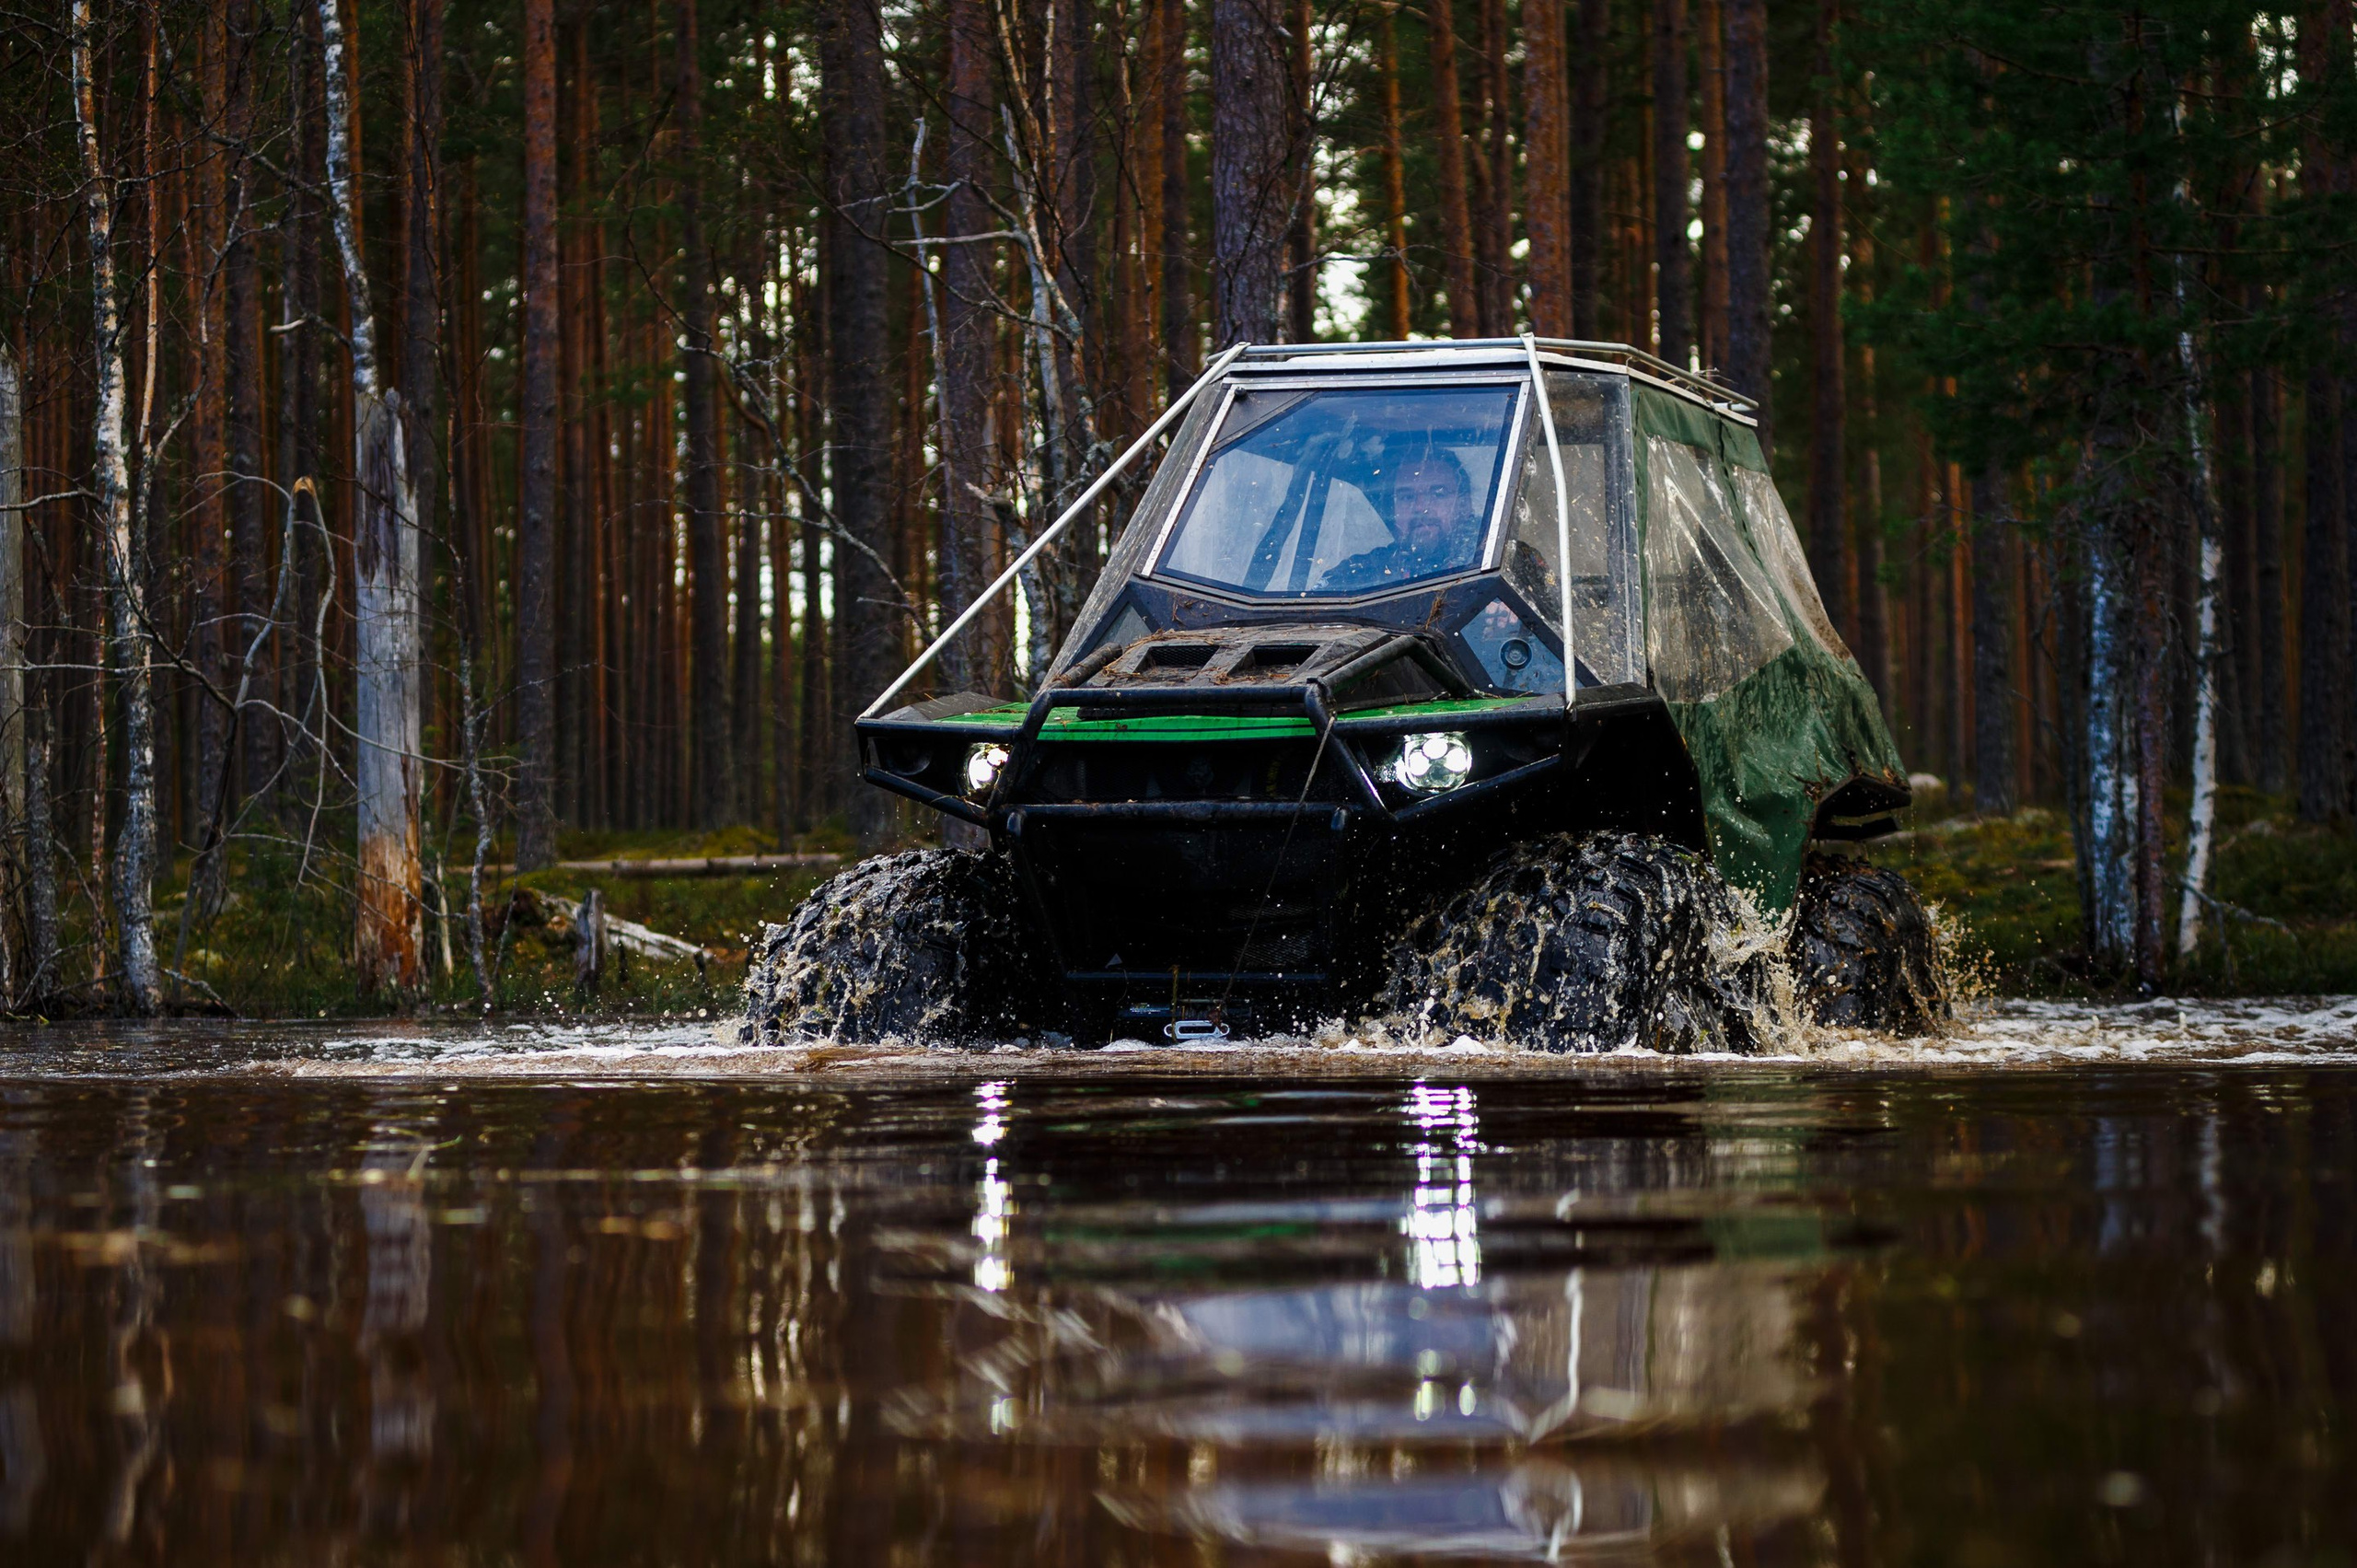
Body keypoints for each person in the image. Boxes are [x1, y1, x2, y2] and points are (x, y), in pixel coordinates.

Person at [1324, 444, 1483, 592]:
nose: (1421, 507)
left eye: (1438, 494)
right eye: (1407, 497)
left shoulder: (1487, 564)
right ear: (1393, 510)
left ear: (1464, 505)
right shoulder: (1361, 577)